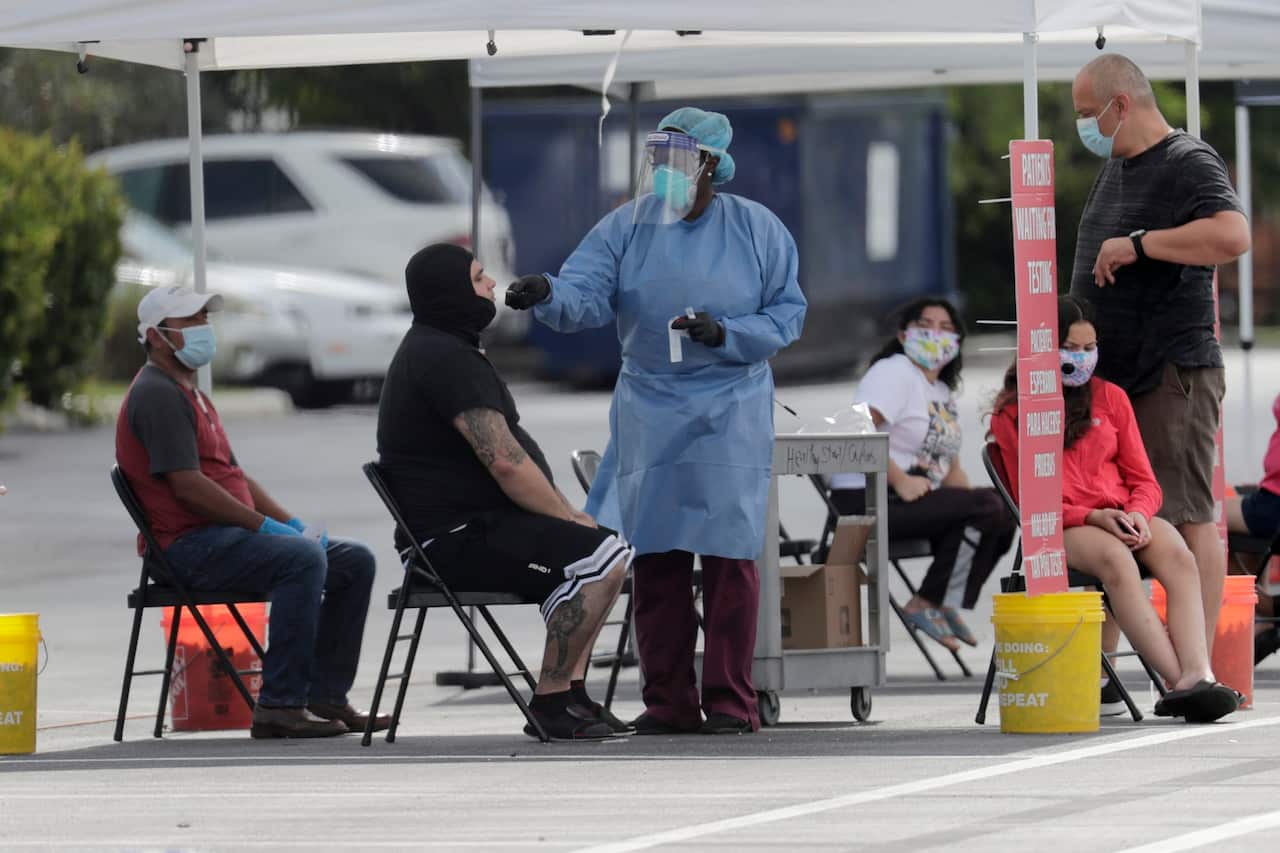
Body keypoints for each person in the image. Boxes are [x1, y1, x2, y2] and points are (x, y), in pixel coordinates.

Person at [505, 107, 806, 735]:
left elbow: (786, 313)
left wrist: (728, 333)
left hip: (730, 403)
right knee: (657, 556)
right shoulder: (627, 226)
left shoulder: (757, 229)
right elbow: (585, 291)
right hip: (651, 404)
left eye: (678, 160)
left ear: (711, 165)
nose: (665, 171)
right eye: (658, 159)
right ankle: (669, 699)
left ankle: (732, 699)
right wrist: (549, 294)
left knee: (730, 556)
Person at [377, 243, 633, 741]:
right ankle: (551, 702)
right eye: (479, 278)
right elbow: (504, 462)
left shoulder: (445, 348)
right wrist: (567, 516)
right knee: (598, 558)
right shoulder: (442, 358)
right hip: (451, 541)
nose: (492, 284)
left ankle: (573, 693)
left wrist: (569, 517)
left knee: (609, 550)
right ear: (451, 292)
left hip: (480, 527)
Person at [115, 285, 387, 739]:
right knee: (302, 559)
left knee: (353, 561)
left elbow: (234, 476)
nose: (203, 328)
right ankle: (280, 705)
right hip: (186, 547)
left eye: (205, 318)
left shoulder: (191, 392)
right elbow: (188, 488)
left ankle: (324, 695)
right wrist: (267, 529)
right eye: (190, 321)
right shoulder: (157, 394)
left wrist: (293, 525)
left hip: (222, 538)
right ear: (156, 336)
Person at [1069, 53, 1251, 652]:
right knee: (1122, 510)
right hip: (1116, 376)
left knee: (1186, 514)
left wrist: (1141, 245)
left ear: (1121, 105)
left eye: (1088, 113)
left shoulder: (1186, 161)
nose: (1084, 126)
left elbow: (1232, 235)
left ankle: (1200, 664)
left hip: (1170, 372)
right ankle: (1109, 661)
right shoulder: (1118, 165)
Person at [991, 296, 1239, 723]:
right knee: (1116, 560)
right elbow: (1029, 499)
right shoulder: (1013, 413)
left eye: (1089, 348)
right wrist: (1092, 516)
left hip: (1122, 513)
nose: (1081, 358)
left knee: (1178, 553)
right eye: (1071, 348)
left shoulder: (1112, 397)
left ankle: (1199, 672)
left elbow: (1144, 480)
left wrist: (1139, 512)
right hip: (1062, 522)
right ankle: (1180, 684)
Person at [829, 298, 1015, 651]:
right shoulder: (894, 372)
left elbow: (950, 468)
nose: (935, 334)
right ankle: (926, 602)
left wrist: (982, 504)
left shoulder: (941, 390)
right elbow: (856, 429)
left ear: (957, 341)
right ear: (903, 335)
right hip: (867, 499)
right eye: (925, 326)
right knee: (987, 508)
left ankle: (943, 601)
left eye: (945, 328)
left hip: (913, 500)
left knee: (1003, 514)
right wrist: (899, 479)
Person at [1224, 391, 1280, 662]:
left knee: (1202, 521)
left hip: (1274, 502)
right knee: (1243, 537)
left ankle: (1263, 606)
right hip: (1269, 495)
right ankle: (1263, 618)